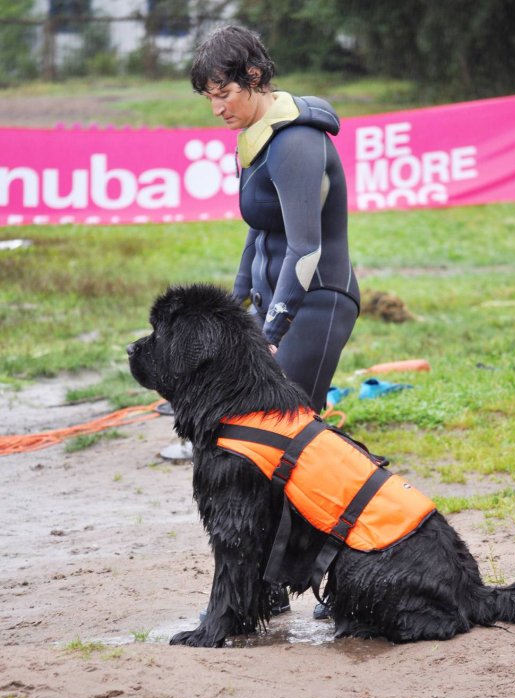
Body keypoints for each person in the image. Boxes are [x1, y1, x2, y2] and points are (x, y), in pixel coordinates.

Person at [191, 24, 360, 617]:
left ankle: (309, 577)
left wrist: (272, 330)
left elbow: (306, 250)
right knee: (263, 446)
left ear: (255, 78)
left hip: (318, 303)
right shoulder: (256, 135)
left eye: (224, 94)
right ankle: (265, 588)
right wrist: (238, 310)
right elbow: (260, 233)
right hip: (278, 305)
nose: (217, 109)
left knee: (283, 446)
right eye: (209, 98)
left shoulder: (295, 141)